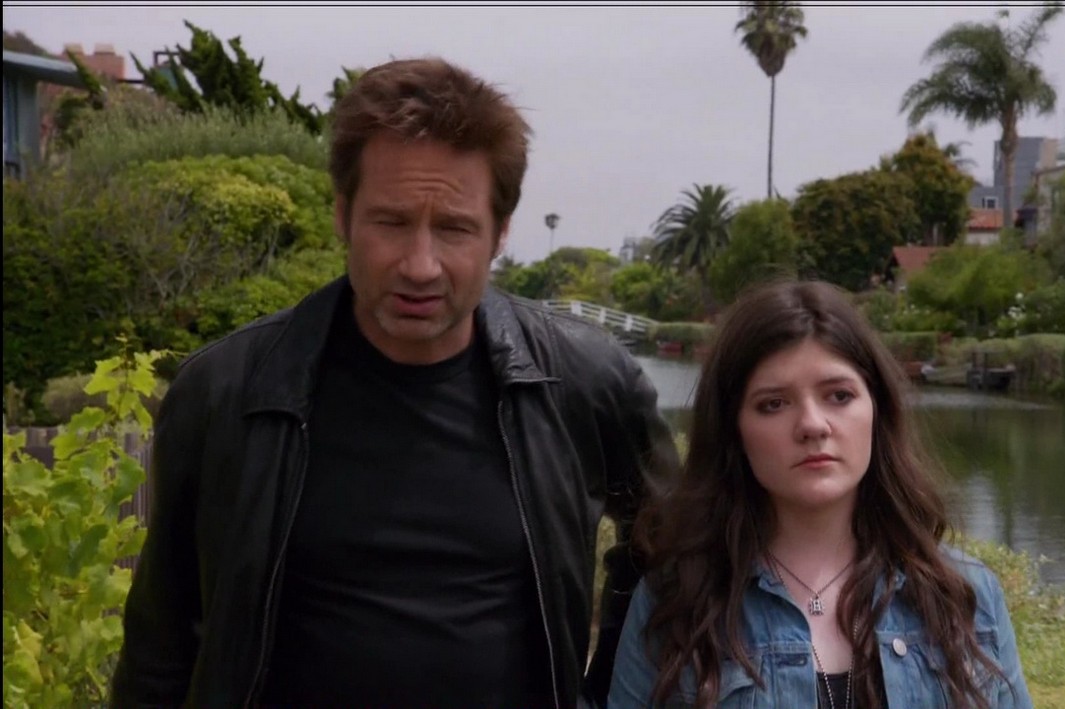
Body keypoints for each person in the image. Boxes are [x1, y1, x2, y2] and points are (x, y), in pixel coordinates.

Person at [110, 57, 678, 709]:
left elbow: (674, 550)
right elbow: (160, 643)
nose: (420, 264)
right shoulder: (226, 392)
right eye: (391, 221)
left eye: (454, 228)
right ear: (343, 214)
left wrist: (611, 694)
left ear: (499, 233)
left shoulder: (585, 382)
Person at [609, 280, 1033, 708]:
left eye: (839, 396)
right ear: (733, 431)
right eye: (774, 404)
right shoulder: (677, 601)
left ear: (877, 411)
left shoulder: (965, 595)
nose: (813, 424)